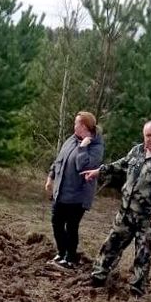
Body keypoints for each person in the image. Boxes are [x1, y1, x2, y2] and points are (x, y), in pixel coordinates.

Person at [81, 120, 151, 297]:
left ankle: (137, 290)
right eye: (148, 135)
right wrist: (99, 171)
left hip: (147, 218)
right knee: (111, 245)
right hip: (125, 213)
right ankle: (98, 277)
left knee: (142, 255)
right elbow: (120, 165)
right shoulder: (137, 151)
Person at [45, 111, 104, 269]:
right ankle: (61, 252)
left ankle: (70, 258)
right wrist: (50, 178)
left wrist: (83, 148)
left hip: (78, 195)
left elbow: (83, 166)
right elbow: (59, 160)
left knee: (71, 227)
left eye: (76, 123)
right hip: (62, 191)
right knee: (56, 222)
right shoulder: (71, 140)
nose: (74, 125)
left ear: (84, 126)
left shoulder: (96, 146)